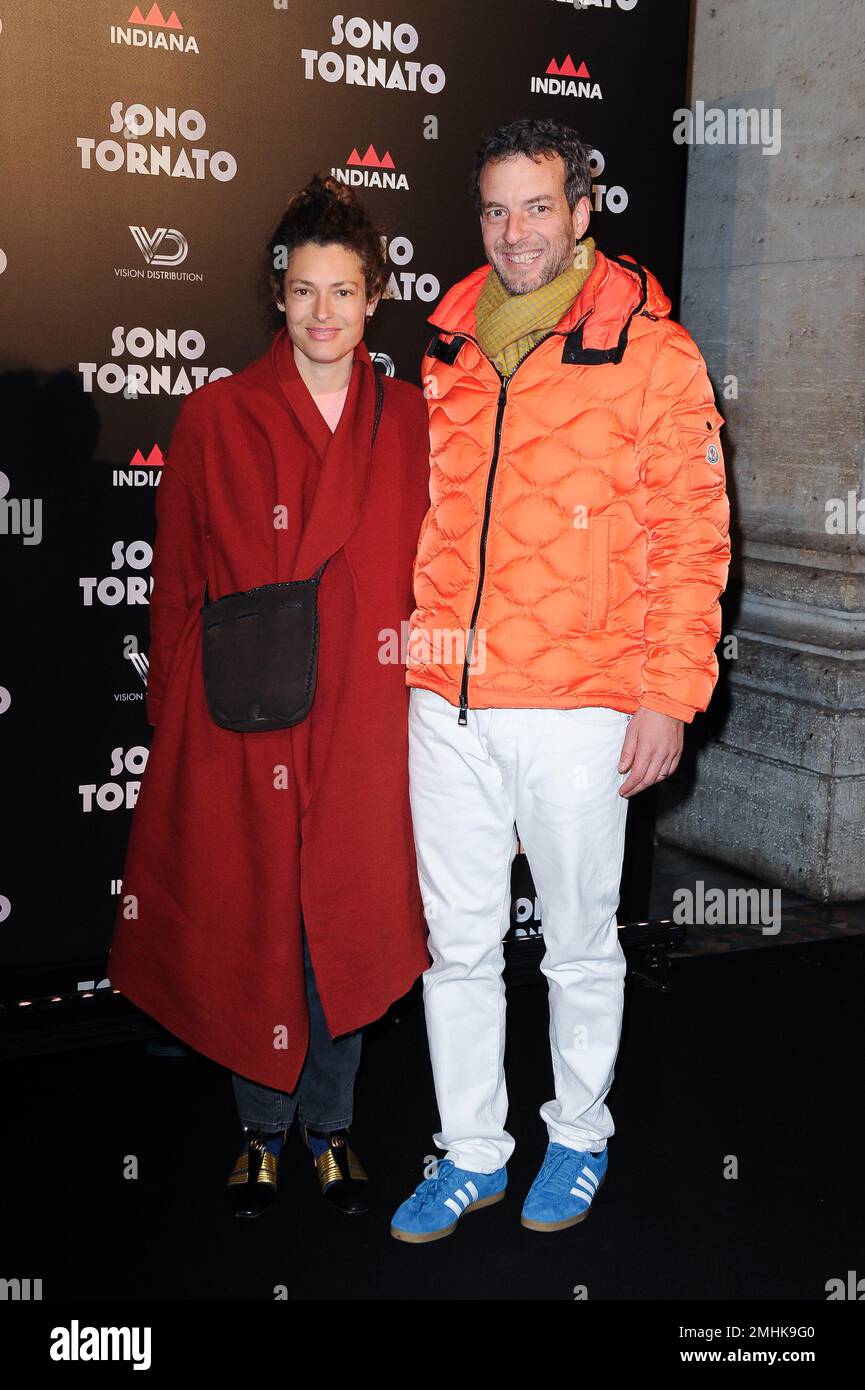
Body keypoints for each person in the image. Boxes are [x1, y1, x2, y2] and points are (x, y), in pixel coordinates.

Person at [391, 117, 731, 1242]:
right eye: (496, 210)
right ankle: (470, 1152)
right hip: (447, 699)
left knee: (580, 946)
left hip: (582, 699)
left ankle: (577, 1135)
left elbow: (692, 537)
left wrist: (667, 694)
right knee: (457, 949)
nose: (514, 231)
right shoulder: (445, 341)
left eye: (537, 207)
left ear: (582, 214)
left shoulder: (655, 351)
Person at [108, 175, 432, 1219]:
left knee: (342, 917)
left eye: (342, 291)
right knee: (257, 917)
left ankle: (330, 1127)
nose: (321, 313)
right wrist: (171, 718)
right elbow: (175, 579)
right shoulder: (216, 415)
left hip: (367, 711)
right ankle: (260, 1129)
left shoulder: (415, 421)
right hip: (244, 714)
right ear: (277, 297)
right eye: (302, 291)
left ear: (374, 296)